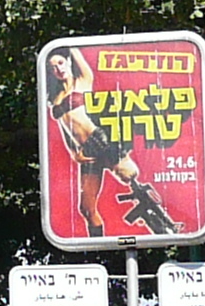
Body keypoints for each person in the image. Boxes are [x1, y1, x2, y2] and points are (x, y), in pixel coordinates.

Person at [45, 47, 178, 237]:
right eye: (52, 67)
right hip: (86, 151)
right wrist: (74, 152)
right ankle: (97, 247)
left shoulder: (82, 82)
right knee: (86, 208)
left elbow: (75, 52)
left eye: (60, 63)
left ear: (68, 62)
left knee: (132, 179)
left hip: (100, 140)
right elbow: (66, 129)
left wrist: (69, 43)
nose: (58, 69)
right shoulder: (56, 98)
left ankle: (167, 228)